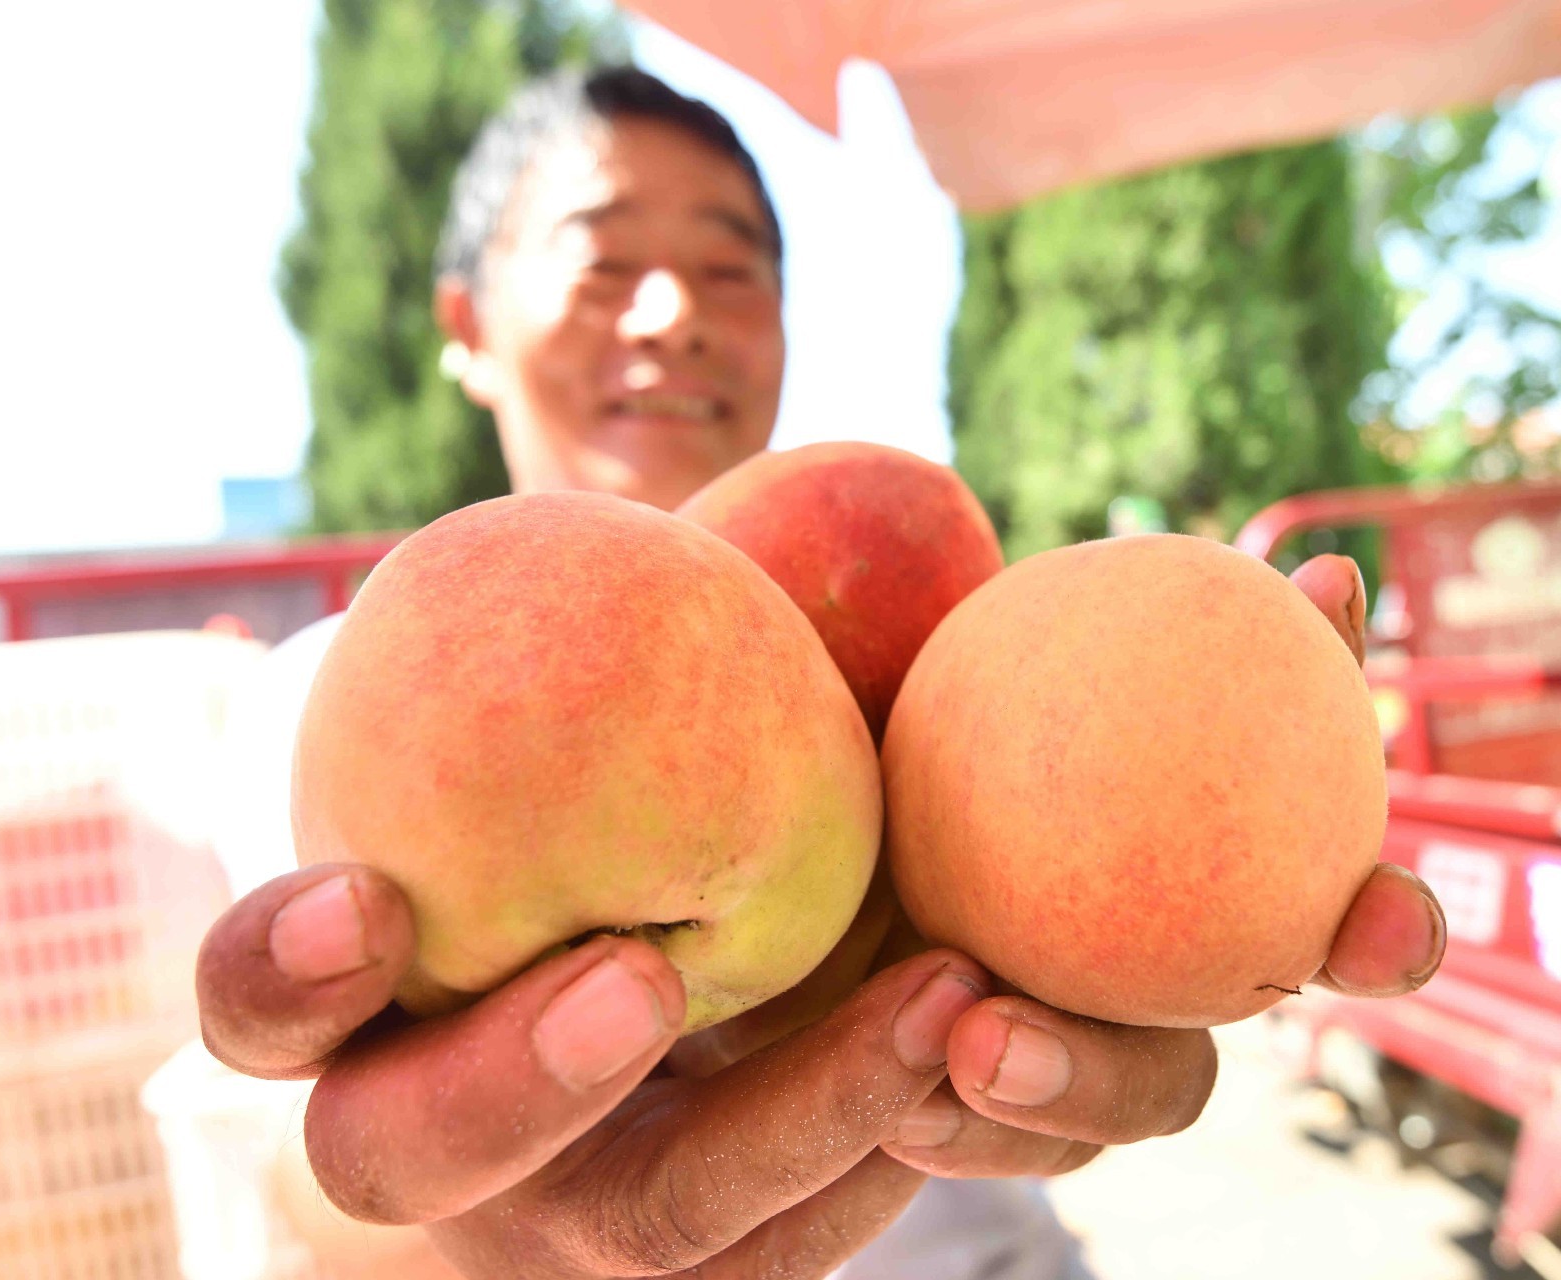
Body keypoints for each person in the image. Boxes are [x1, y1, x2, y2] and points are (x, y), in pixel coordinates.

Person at [197, 66, 1446, 1280]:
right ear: (466, 325)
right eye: (601, 261)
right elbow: (290, 1183)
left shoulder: (949, 639)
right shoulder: (329, 699)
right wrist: (448, 1227)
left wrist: (1160, 886)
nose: (672, 311)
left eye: (732, 269)